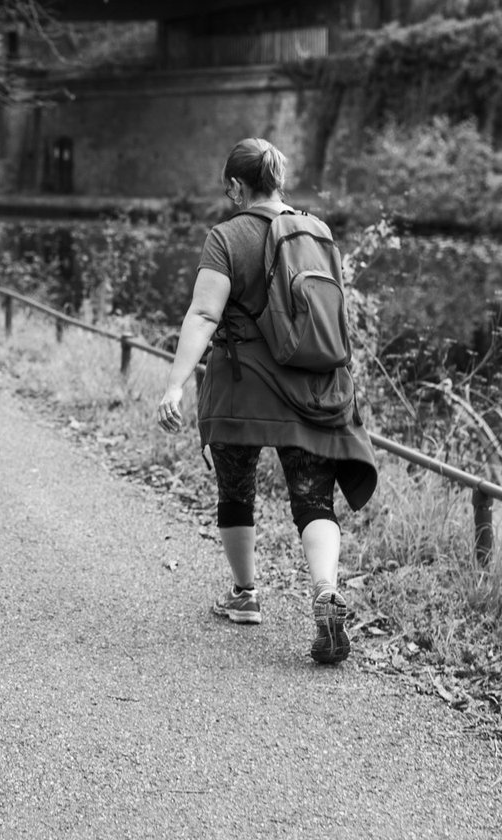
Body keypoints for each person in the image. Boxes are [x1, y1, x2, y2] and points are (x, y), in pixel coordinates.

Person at [156, 137, 376, 665]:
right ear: (277, 179)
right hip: (311, 390)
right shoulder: (316, 231)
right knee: (313, 499)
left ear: (236, 187)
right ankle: (324, 591)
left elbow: (205, 316)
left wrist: (176, 383)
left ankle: (245, 594)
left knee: (237, 490)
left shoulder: (226, 237)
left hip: (241, 389)